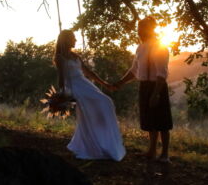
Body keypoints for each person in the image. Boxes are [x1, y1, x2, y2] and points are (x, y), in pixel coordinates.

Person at [54, 29, 126, 161]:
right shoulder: (60, 57)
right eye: (73, 38)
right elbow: (61, 77)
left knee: (107, 102)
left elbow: (89, 73)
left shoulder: (75, 56)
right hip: (74, 86)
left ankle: (104, 140)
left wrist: (105, 84)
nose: (75, 40)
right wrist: (62, 94)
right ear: (67, 40)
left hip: (85, 84)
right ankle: (93, 144)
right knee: (93, 108)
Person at [114, 16, 172, 162]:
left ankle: (165, 154)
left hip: (157, 86)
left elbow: (161, 74)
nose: (139, 31)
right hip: (144, 86)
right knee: (150, 121)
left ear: (150, 29)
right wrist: (120, 83)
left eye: (142, 28)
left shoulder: (160, 47)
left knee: (162, 121)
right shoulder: (140, 48)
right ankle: (151, 152)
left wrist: (156, 94)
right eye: (138, 29)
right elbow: (134, 71)